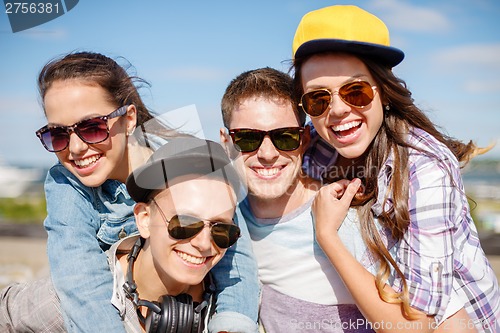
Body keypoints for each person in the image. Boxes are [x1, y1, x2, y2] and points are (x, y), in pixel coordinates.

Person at [291, 5, 500, 332]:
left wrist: (326, 234)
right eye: (318, 99)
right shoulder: (316, 144)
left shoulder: (425, 169)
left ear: (384, 92)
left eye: (355, 92)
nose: (337, 110)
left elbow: (415, 325)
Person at [33, 51, 259, 333]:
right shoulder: (65, 180)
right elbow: (79, 279)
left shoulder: (191, 159)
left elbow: (237, 265)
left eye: (92, 128)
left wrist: (230, 326)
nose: (76, 148)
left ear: (128, 119)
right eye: (58, 135)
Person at [1, 137, 244, 333]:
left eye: (222, 230)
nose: (203, 244)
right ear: (144, 219)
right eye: (185, 224)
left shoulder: (234, 310)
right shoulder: (68, 300)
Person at [220, 67, 376, 332]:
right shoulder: (222, 224)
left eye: (284, 137)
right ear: (226, 142)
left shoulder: (348, 219)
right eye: (247, 139)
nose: (267, 154)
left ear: (303, 139)